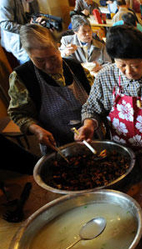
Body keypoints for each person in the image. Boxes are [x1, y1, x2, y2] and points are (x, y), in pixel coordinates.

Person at [77, 25, 142, 147]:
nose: (129, 71)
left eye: (135, 66)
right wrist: (88, 124)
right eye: (122, 65)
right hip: (119, 149)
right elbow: (92, 109)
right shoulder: (105, 77)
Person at [8, 24, 93, 153]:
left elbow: (95, 101)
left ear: (58, 47)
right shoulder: (23, 77)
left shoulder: (75, 68)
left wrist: (89, 123)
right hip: (57, 146)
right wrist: (36, 130)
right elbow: (19, 114)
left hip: (90, 138)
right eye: (40, 60)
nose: (49, 66)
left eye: (53, 58)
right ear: (29, 55)